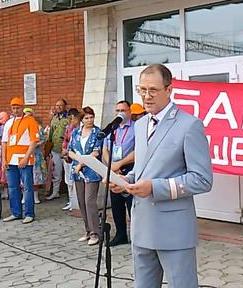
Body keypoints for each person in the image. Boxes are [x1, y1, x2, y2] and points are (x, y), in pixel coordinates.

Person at [108, 64, 213, 288]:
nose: (146, 96)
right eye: (142, 90)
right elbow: (146, 168)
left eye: (153, 90)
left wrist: (156, 187)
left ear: (169, 89)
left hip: (173, 230)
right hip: (141, 227)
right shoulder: (141, 124)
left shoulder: (189, 125)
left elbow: (202, 179)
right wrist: (127, 180)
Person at [1, 98, 40, 224]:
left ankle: (29, 213)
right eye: (13, 108)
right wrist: (3, 159)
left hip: (24, 159)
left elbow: (34, 141)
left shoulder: (30, 121)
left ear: (22, 107)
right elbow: (4, 142)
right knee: (12, 187)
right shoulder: (8, 123)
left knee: (27, 187)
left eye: (18, 108)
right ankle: (16, 212)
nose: (15, 110)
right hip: (11, 159)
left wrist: (26, 157)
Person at [102, 100, 135, 246]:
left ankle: (136, 236)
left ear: (129, 112)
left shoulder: (136, 128)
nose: (120, 112)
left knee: (131, 204)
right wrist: (112, 166)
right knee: (116, 204)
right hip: (113, 168)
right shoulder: (113, 128)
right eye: (117, 110)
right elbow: (105, 149)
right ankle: (120, 234)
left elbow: (139, 150)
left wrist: (120, 164)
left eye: (123, 110)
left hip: (130, 168)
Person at [69, 106, 103, 246]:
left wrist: (81, 163)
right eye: (86, 118)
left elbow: (96, 152)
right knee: (82, 202)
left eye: (91, 117)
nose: (89, 120)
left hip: (91, 170)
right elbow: (70, 150)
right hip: (78, 171)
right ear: (82, 120)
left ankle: (96, 232)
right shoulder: (76, 132)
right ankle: (88, 230)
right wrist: (76, 161)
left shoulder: (97, 132)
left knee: (90, 201)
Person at [47, 99, 70, 200]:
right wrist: (48, 147)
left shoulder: (69, 118)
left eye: (60, 105)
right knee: (56, 172)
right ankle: (55, 192)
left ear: (65, 106)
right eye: (57, 105)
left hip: (65, 149)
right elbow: (50, 133)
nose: (58, 107)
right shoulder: (54, 119)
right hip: (55, 149)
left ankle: (71, 197)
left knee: (68, 173)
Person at [61, 108, 80, 211]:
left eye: (71, 118)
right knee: (68, 180)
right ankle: (70, 200)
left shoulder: (79, 130)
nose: (70, 120)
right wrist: (64, 150)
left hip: (74, 156)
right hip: (67, 156)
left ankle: (74, 201)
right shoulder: (69, 128)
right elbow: (65, 140)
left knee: (73, 180)